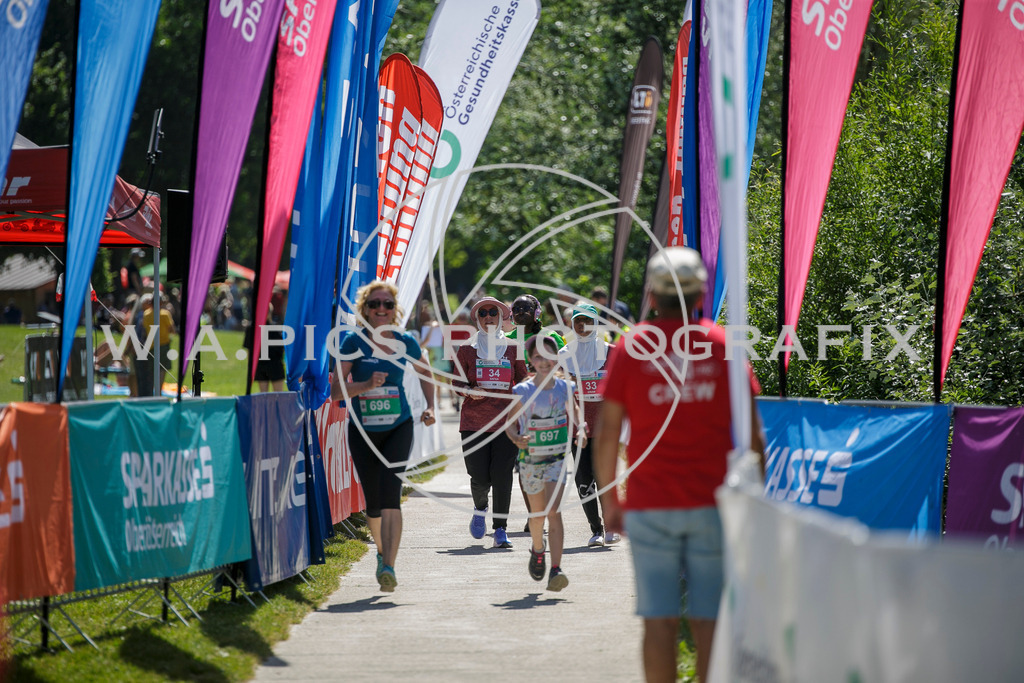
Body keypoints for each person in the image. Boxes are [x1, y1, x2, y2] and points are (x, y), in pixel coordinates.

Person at [594, 247, 765, 683]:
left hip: (650, 505)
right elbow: (753, 436)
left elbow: (608, 432)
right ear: (701, 293)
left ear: (652, 295)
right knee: (709, 622)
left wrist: (611, 501)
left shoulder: (631, 347)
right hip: (712, 505)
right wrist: (756, 502)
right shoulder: (724, 345)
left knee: (659, 621)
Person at [331, 280, 436, 591]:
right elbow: (336, 389)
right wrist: (365, 386)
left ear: (394, 310)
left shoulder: (406, 342)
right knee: (373, 503)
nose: (381, 309)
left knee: (392, 494)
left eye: (387, 305)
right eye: (375, 304)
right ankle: (381, 552)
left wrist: (430, 406)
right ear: (365, 308)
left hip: (398, 427)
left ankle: (389, 564)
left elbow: (426, 373)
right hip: (363, 430)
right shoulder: (353, 342)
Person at [506, 335, 584, 592]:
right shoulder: (522, 391)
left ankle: (556, 570)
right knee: (537, 517)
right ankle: (538, 549)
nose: (543, 362)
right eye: (537, 357)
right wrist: (517, 438)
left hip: (556, 459)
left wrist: (580, 430)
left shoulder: (565, 388)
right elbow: (509, 424)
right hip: (530, 461)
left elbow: (574, 413)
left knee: (554, 512)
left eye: (548, 356)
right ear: (530, 360)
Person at [451, 296, 528, 549]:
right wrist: (469, 391)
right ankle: (479, 507)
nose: (488, 317)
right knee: (480, 477)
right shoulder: (466, 349)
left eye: (492, 313)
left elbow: (523, 380)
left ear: (501, 317)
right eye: (482, 314)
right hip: (474, 422)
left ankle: (500, 529)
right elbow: (456, 383)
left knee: (502, 475)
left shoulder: (514, 347)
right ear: (477, 319)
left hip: (506, 423)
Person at [558, 304, 620, 548]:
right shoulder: (564, 354)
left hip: (606, 428)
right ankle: (595, 529)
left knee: (606, 478)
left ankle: (610, 526)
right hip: (578, 429)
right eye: (578, 321)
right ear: (572, 325)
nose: (583, 326)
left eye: (588, 321)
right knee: (584, 480)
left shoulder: (612, 353)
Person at [245, 304, 286, 392]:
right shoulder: (276, 330)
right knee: (278, 396)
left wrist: (251, 368)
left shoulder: (251, 329)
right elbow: (284, 350)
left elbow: (249, 351)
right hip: (275, 365)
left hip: (260, 366)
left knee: (263, 397)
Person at [142, 294, 177, 390]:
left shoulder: (146, 314)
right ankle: (159, 390)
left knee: (153, 369)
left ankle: (153, 389)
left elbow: (144, 329)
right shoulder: (165, 314)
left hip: (150, 345)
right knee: (162, 369)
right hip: (163, 345)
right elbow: (172, 329)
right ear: (161, 303)